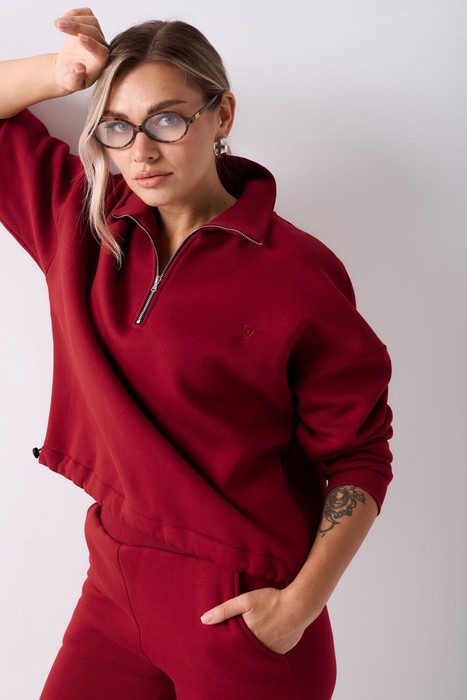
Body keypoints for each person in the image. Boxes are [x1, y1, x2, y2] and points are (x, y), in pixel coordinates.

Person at [0, 8, 393, 700]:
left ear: (222, 115)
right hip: (114, 588)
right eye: (116, 126)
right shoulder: (81, 221)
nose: (141, 153)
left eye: (167, 121)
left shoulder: (297, 273)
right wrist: (63, 73)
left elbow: (358, 456)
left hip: (240, 606)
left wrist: (295, 610)